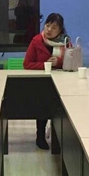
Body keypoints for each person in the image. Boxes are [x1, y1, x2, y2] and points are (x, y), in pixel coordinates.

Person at [23, 13, 70, 150]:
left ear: (60, 30)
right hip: (41, 83)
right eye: (47, 25)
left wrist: (59, 62)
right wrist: (45, 65)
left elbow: (71, 62)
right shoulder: (36, 41)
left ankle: (59, 139)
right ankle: (40, 136)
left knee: (60, 108)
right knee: (42, 105)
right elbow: (27, 64)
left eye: (54, 27)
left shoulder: (66, 42)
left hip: (62, 82)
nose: (49, 30)